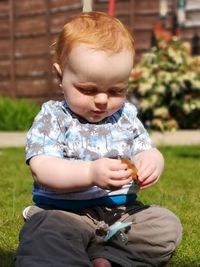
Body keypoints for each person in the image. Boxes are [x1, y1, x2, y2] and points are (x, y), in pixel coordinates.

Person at [15, 12, 182, 267]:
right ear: (61, 77)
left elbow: (146, 148)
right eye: (88, 89)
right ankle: (82, 255)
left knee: (165, 224)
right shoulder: (53, 117)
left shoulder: (125, 116)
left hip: (122, 216)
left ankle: (111, 256)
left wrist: (152, 161)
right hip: (63, 214)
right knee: (45, 232)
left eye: (116, 90)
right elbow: (43, 168)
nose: (103, 100)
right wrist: (90, 172)